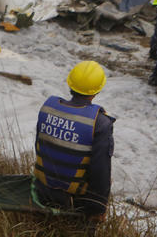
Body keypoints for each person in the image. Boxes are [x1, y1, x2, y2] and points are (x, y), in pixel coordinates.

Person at [33, 61, 115, 223]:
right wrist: (98, 208)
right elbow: (100, 170)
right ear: (97, 90)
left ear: (70, 84)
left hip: (41, 192)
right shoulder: (99, 122)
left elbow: (40, 147)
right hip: (74, 203)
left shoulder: (49, 108)